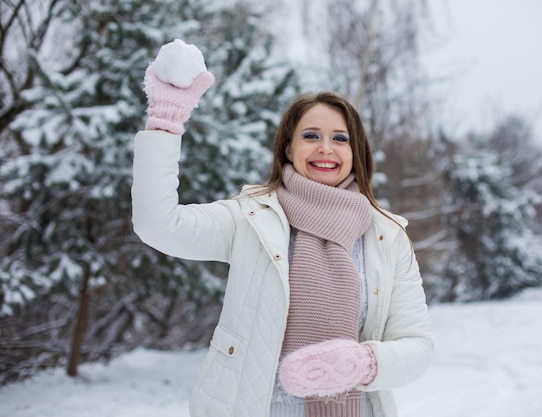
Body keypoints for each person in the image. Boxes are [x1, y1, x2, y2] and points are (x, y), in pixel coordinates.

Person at [132, 40, 433, 417]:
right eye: (311, 136)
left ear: (356, 152)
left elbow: (417, 346)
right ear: (288, 149)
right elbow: (159, 225)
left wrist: (364, 362)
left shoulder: (387, 237)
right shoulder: (251, 219)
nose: (326, 148)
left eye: (340, 139)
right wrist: (165, 121)